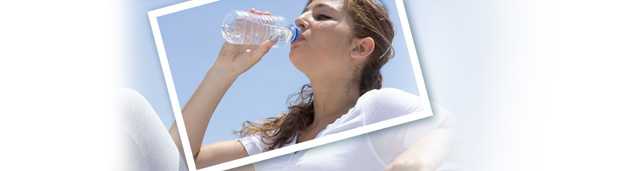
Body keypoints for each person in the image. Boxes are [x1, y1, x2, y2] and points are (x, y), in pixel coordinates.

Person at [170, 0, 451, 170]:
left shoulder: (377, 108)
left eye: (322, 15)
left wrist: (413, 164)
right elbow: (177, 160)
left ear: (359, 48)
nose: (300, 19)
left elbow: (448, 128)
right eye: (304, 12)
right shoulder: (279, 140)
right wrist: (222, 71)